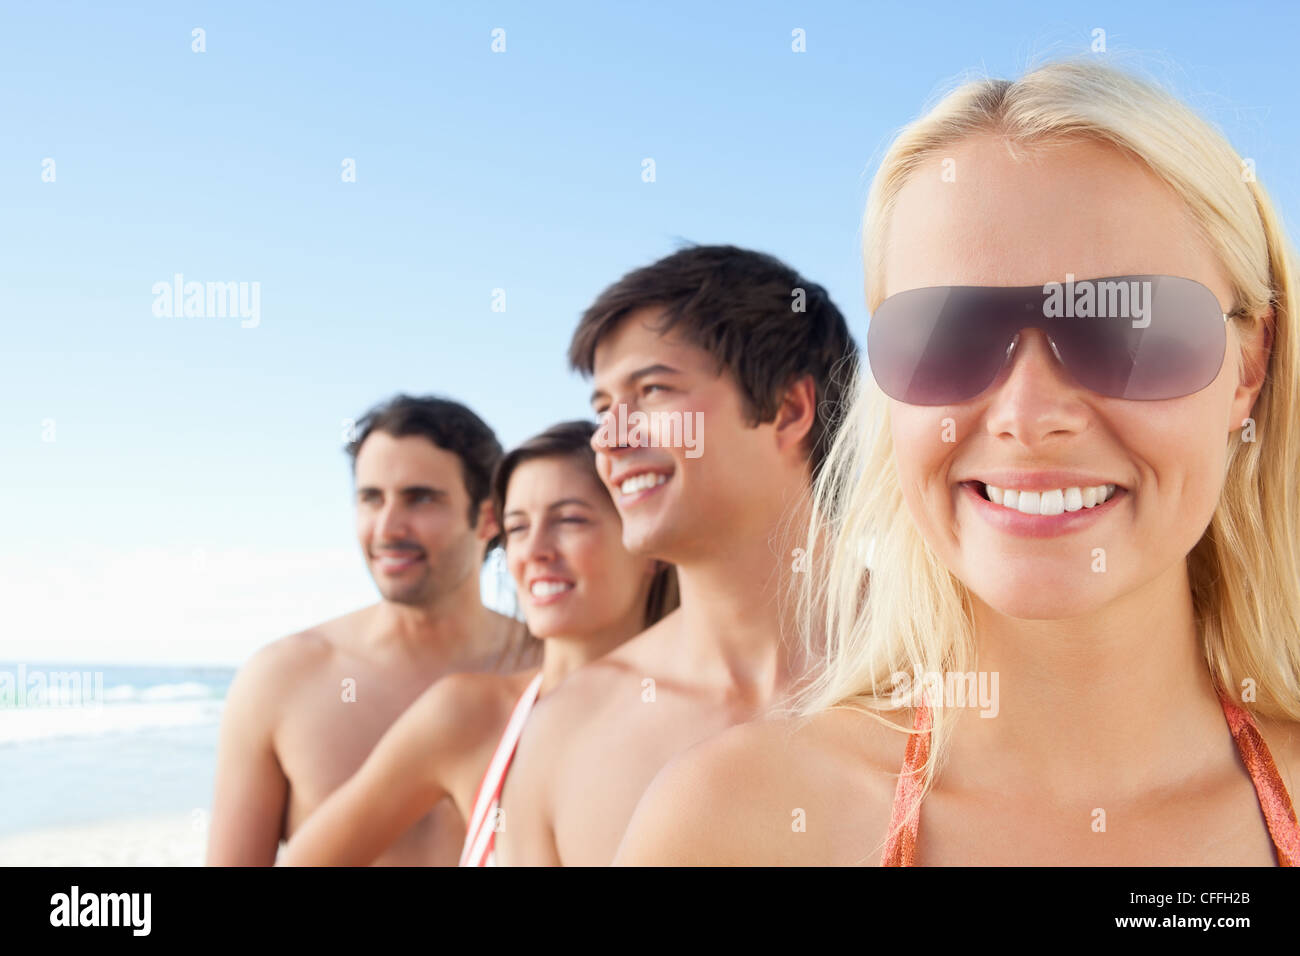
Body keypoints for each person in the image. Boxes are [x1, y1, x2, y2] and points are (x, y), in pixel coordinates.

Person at [615, 58, 1300, 866]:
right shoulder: (731, 827)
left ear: (1248, 367)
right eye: (946, 333)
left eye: (1127, 326)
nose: (1028, 415)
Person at [499, 244, 860, 864]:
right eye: (603, 410)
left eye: (654, 390)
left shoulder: (955, 662)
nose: (610, 442)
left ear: (789, 409)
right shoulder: (568, 728)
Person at [278, 420, 677, 866]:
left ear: (648, 544)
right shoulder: (471, 716)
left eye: (569, 519)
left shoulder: (705, 719)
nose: (535, 551)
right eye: (518, 527)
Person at [207, 394, 530, 866]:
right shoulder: (280, 679)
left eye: (420, 498)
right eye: (370, 498)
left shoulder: (548, 669)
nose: (388, 526)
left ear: (487, 517)